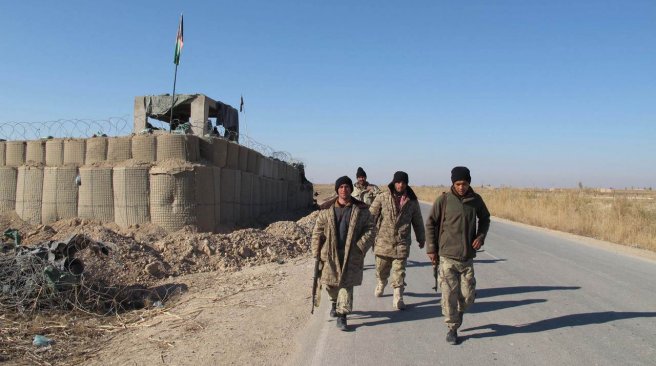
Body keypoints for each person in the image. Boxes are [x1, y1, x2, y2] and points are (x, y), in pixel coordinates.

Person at [425, 166, 490, 345]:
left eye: (465, 183)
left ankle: (460, 311)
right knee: (448, 295)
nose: (461, 187)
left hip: (467, 257)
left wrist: (480, 237)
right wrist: (432, 249)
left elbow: (485, 219)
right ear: (453, 183)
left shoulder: (476, 200)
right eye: (458, 183)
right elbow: (430, 223)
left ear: (469, 183)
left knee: (468, 297)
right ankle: (452, 328)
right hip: (447, 256)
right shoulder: (444, 200)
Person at [311, 176, 375, 331]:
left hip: (351, 254)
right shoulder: (327, 210)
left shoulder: (360, 209)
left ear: (350, 189)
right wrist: (316, 252)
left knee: (346, 285)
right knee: (331, 285)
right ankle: (334, 303)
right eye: (341, 187)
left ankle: (342, 315)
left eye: (347, 187)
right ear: (337, 190)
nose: (344, 189)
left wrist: (360, 246)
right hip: (330, 254)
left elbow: (371, 229)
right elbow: (317, 231)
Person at [369, 171, 425, 310]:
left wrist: (421, 238)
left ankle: (398, 296)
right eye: (398, 182)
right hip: (383, 241)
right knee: (381, 269)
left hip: (401, 242)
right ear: (394, 182)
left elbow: (417, 221)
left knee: (399, 270)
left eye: (403, 183)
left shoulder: (411, 201)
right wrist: (367, 235)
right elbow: (370, 216)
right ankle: (381, 282)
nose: (401, 185)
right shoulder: (382, 197)